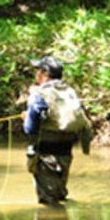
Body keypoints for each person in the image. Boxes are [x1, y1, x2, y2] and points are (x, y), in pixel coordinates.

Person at [20, 56, 92, 205]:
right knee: (60, 194)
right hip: (66, 151)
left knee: (48, 202)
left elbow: (30, 128)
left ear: (45, 74)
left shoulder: (39, 94)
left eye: (38, 70)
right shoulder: (69, 91)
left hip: (46, 153)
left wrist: (26, 118)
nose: (36, 74)